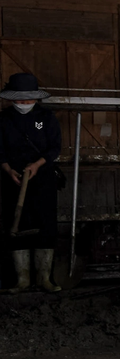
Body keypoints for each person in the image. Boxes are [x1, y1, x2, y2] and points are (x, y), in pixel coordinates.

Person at [0, 73, 62, 293]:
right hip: (12, 180)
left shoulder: (46, 117)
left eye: (28, 98)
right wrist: (8, 170)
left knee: (46, 225)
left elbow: (55, 147)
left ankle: (45, 278)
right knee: (15, 226)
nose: (24, 103)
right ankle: (22, 280)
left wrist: (37, 165)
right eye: (19, 99)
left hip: (42, 178)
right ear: (11, 98)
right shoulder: (4, 119)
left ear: (36, 97)